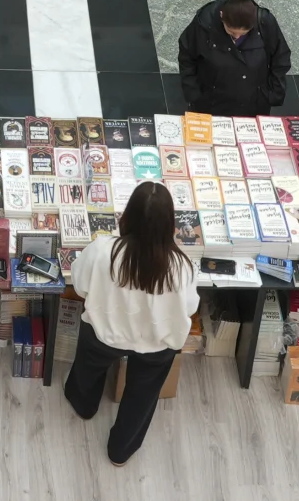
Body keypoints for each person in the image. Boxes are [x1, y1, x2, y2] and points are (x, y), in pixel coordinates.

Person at [62, 180, 199, 466]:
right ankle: (120, 451)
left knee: (88, 367)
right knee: (142, 395)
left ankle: (83, 405)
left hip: (104, 334)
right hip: (156, 344)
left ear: (127, 216)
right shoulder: (181, 267)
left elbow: (80, 286)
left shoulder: (103, 251)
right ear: (169, 224)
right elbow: (189, 308)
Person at [177, 0, 290, 114]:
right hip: (211, 102)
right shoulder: (204, 23)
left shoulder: (264, 22)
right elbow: (187, 56)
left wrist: (273, 93)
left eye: (243, 33)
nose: (237, 37)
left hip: (253, 103)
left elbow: (280, 57)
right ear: (221, 16)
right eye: (231, 32)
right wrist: (193, 93)